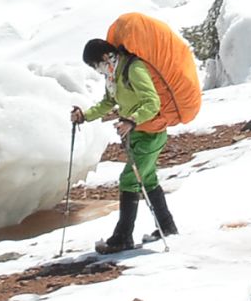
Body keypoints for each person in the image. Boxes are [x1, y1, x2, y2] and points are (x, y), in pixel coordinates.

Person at [71, 38, 178, 253]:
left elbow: (152, 102)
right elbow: (108, 103)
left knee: (129, 179)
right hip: (138, 134)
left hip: (151, 134)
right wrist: (85, 116)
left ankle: (123, 236)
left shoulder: (134, 69)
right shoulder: (115, 74)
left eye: (94, 65)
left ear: (104, 58)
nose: (97, 70)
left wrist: (132, 119)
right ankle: (167, 227)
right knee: (147, 179)